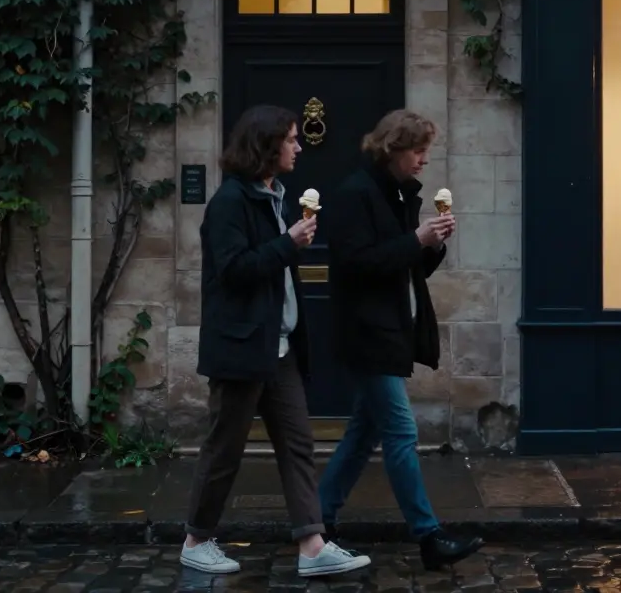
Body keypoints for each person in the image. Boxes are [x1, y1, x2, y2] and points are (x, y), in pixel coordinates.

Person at [180, 104, 371, 578]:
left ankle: (312, 544)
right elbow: (234, 270)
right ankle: (196, 539)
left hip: (279, 346)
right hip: (242, 347)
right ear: (266, 146)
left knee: (298, 445)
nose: (298, 146)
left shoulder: (274, 196)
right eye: (290, 139)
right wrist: (289, 244)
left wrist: (288, 243)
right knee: (225, 449)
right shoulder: (229, 202)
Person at [317, 109, 484, 571]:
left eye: (426, 150)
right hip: (368, 333)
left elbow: (403, 270)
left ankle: (317, 519)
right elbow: (358, 265)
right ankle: (428, 537)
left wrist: (431, 245)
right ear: (394, 149)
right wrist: (416, 238)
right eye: (418, 150)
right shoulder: (356, 194)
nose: (424, 160)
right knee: (401, 432)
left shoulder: (398, 194)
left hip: (393, 329)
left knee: (361, 434)